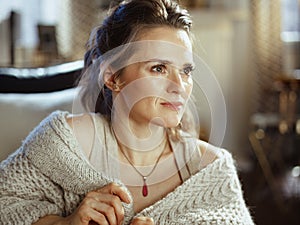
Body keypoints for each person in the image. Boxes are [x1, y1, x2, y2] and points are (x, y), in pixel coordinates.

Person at [0, 0, 255, 224]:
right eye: (158, 68)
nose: (179, 87)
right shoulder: (63, 144)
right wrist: (66, 223)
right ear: (112, 77)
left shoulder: (211, 170)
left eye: (186, 71)